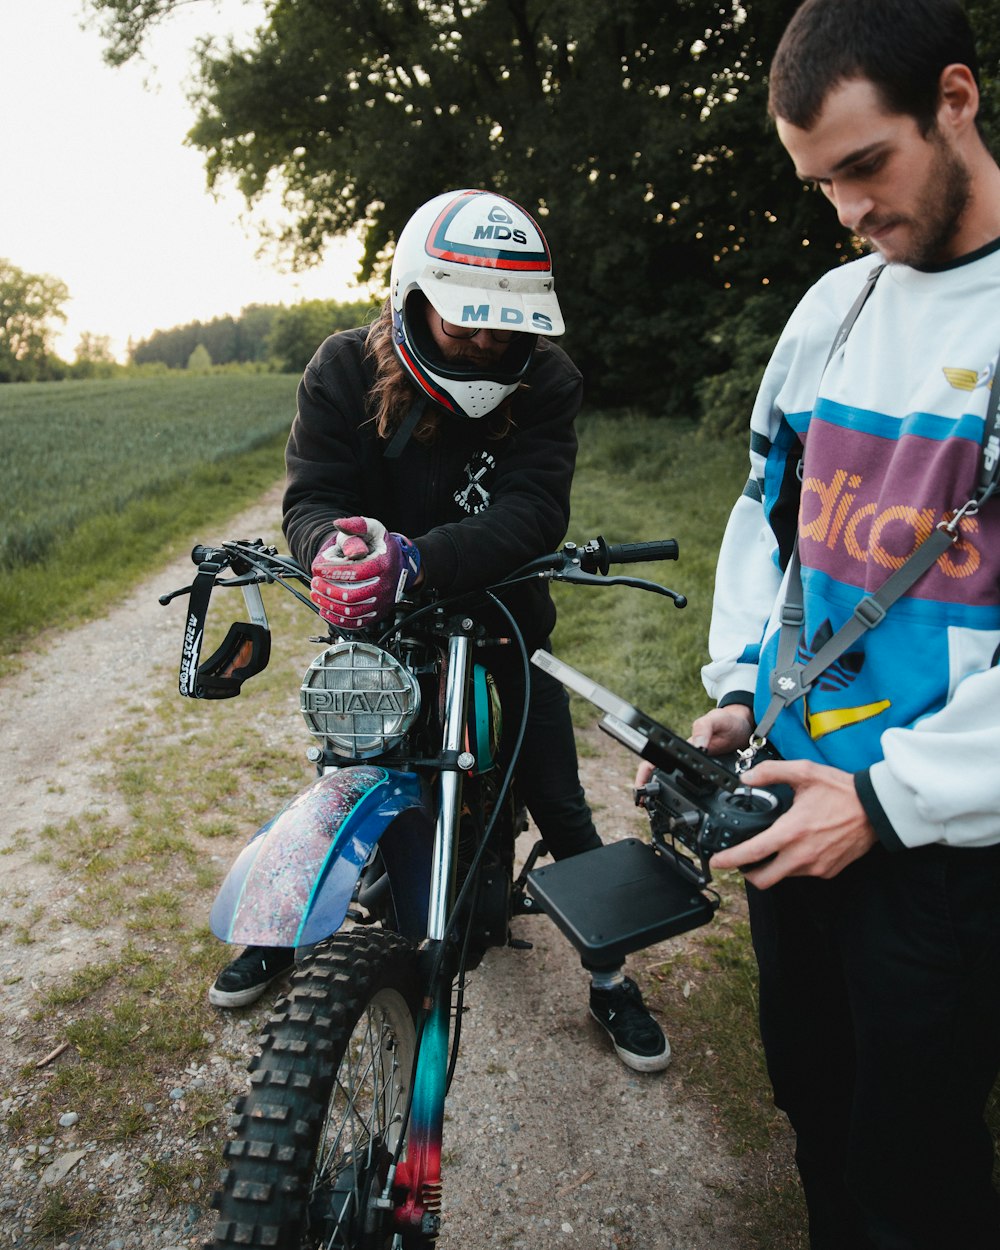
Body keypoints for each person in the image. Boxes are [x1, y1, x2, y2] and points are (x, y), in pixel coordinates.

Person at [664, 1, 1000, 1245]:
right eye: (820, 185)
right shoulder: (830, 311)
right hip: (790, 808)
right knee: (814, 1101)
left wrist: (887, 802)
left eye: (866, 166)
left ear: (954, 100)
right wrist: (746, 689)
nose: (849, 210)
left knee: (916, 1153)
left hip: (940, 848)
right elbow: (771, 525)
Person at [209, 188, 670, 1072]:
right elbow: (312, 497)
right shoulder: (342, 368)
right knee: (342, 778)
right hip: (379, 640)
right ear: (413, 297)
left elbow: (533, 509)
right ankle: (280, 932)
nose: (489, 346)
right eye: (467, 326)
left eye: (507, 329)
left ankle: (611, 978)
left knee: (562, 799)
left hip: (503, 627)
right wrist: (333, 553)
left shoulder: (549, 380)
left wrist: (414, 558)